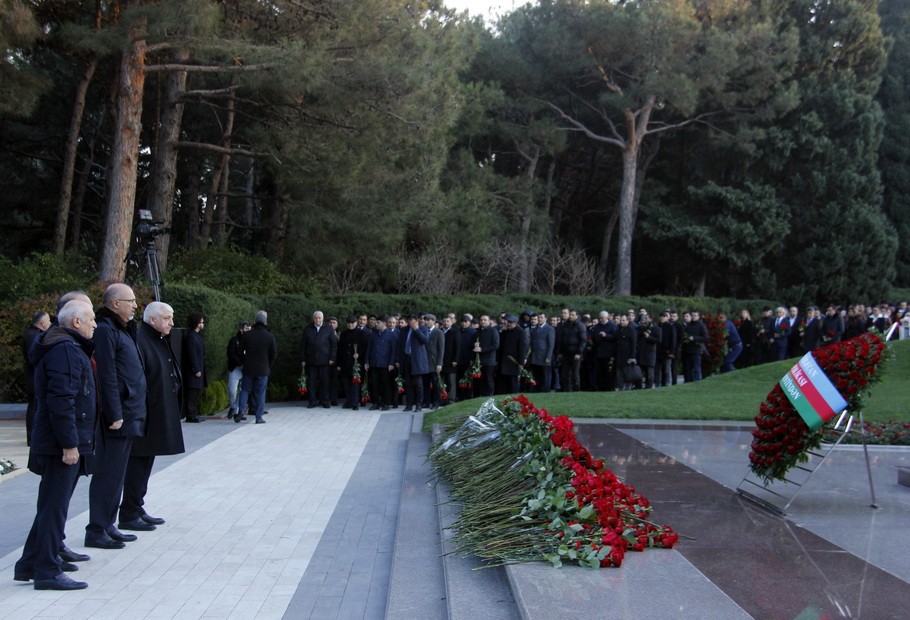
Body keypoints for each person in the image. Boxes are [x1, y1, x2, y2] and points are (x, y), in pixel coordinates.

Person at [15, 300, 97, 590]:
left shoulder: (62, 346)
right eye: (91, 320)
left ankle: (30, 563)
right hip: (58, 443)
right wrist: (69, 444)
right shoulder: (64, 349)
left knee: (51, 505)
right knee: (54, 507)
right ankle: (47, 571)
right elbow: (61, 399)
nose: (94, 325)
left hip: (55, 441)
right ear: (76, 322)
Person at [85, 284, 147, 550]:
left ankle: (108, 525)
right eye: (130, 301)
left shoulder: (121, 329)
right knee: (108, 473)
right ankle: (97, 528)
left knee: (118, 474)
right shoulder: (106, 330)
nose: (135, 305)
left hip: (130, 411)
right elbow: (106, 374)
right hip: (119, 416)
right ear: (114, 304)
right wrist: (115, 412)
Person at [119, 302, 186, 530]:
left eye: (171, 317)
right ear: (153, 320)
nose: (171, 322)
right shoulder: (140, 339)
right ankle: (128, 512)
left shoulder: (157, 339)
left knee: (146, 463)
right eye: (167, 318)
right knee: (137, 463)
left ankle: (136, 506)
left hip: (156, 413)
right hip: (144, 416)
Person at [236, 311, 277, 423]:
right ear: (265, 323)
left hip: (248, 368)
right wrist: (268, 365)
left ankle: (240, 411)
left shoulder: (247, 335)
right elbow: (274, 354)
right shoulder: (270, 336)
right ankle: (258, 417)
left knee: (245, 390)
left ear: (255, 322)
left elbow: (239, 351)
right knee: (260, 393)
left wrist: (244, 361)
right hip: (263, 369)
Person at [22, 310, 51, 446]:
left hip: (33, 376)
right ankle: (32, 437)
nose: (50, 324)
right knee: (34, 406)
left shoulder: (33, 334)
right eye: (49, 321)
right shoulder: (33, 335)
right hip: (33, 377)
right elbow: (34, 357)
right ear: (43, 323)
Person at [300, 311, 337, 409]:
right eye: (316, 318)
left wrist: (332, 358)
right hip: (311, 360)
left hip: (325, 361)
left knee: (325, 382)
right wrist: (303, 359)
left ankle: (325, 401)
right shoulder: (308, 329)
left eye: (319, 318)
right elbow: (303, 345)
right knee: (312, 383)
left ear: (323, 319)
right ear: (313, 319)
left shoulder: (328, 329)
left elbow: (333, 344)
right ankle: (312, 401)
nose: (317, 320)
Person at [364, 314, 398, 411]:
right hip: (374, 363)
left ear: (384, 323)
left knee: (386, 385)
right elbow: (369, 348)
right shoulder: (373, 334)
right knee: (374, 384)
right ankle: (376, 402)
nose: (376, 324)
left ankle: (386, 403)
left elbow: (393, 350)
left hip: (385, 365)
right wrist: (367, 361)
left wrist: (391, 363)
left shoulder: (391, 335)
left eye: (378, 322)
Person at [397, 315, 430, 412]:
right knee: (408, 384)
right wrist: (399, 360)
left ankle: (419, 404)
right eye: (410, 322)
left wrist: (416, 329)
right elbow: (400, 345)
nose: (411, 323)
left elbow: (425, 340)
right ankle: (409, 404)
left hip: (417, 359)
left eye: (413, 322)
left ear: (417, 321)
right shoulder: (404, 330)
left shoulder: (423, 329)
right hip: (406, 359)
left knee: (419, 384)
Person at [338, 316, 369, 410]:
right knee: (346, 384)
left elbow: (366, 348)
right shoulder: (343, 334)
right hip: (345, 363)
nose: (350, 325)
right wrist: (339, 363)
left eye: (352, 323)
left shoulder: (362, 333)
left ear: (356, 323)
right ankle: (349, 401)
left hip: (357, 364)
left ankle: (355, 402)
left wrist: (359, 354)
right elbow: (340, 349)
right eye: (349, 323)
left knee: (355, 384)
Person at [183, 311, 207, 423]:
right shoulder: (192, 336)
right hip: (194, 372)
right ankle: (191, 415)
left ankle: (194, 413)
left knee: (195, 393)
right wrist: (196, 369)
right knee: (192, 394)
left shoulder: (195, 336)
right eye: (201, 322)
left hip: (197, 370)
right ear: (197, 323)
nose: (203, 324)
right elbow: (192, 354)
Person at [556, 309, 586, 392]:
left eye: (573, 315)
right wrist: (560, 352)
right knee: (565, 374)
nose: (571, 316)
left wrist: (578, 353)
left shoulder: (580, 326)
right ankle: (566, 390)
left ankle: (576, 390)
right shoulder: (564, 325)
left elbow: (583, 341)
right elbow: (561, 339)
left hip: (575, 354)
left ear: (577, 316)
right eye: (570, 314)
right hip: (565, 353)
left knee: (575, 374)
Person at [498, 314, 529, 394]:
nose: (508, 324)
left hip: (513, 361)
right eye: (508, 322)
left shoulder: (520, 332)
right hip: (504, 360)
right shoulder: (505, 331)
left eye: (511, 323)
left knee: (513, 383)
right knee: (503, 382)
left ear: (516, 323)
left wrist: (521, 362)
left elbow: (522, 348)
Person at [226, 321, 251, 419]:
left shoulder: (251, 341)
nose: (248, 331)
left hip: (247, 369)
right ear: (241, 330)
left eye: (250, 329)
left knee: (243, 391)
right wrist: (241, 363)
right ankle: (233, 407)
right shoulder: (234, 340)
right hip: (236, 368)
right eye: (246, 329)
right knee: (232, 390)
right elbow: (231, 354)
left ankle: (238, 411)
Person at [473, 314, 499, 397]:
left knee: (488, 379)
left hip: (489, 360)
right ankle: (480, 395)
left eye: (485, 320)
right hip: (478, 361)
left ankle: (490, 395)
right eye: (481, 320)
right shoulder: (478, 331)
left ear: (489, 321)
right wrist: (475, 345)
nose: (483, 321)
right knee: (480, 380)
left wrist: (482, 349)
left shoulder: (493, 331)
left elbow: (495, 345)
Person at [529, 311, 556, 393]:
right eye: (539, 318)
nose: (540, 319)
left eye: (541, 318)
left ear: (545, 319)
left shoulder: (549, 329)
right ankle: (537, 390)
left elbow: (551, 344)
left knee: (545, 375)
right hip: (535, 356)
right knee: (536, 375)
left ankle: (545, 390)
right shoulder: (535, 329)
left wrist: (548, 357)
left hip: (544, 356)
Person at [682, 311, 708, 383]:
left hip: (696, 350)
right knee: (687, 369)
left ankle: (697, 383)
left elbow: (705, 337)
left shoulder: (701, 325)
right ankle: (688, 383)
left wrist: (694, 338)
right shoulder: (688, 325)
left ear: (698, 316)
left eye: (695, 315)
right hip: (687, 350)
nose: (693, 317)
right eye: (692, 315)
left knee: (696, 369)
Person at [613, 315, 638, 391]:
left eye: (623, 320)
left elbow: (633, 344)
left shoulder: (631, 330)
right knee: (619, 373)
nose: (621, 322)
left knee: (627, 373)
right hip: (618, 356)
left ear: (627, 321)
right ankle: (620, 387)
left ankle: (628, 387)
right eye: (621, 320)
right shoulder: (618, 330)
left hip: (627, 356)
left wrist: (632, 357)